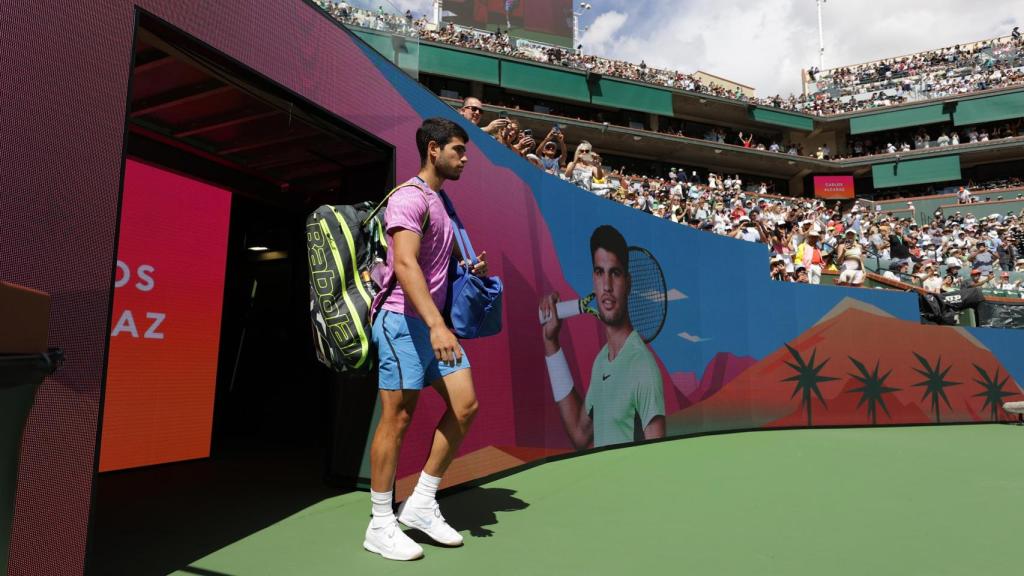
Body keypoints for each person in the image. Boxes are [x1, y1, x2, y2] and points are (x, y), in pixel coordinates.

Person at [364, 118, 489, 561]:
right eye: (458, 149)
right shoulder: (408, 197)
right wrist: (437, 325)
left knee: (465, 403)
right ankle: (380, 524)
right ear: (434, 150)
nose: (465, 157)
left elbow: (433, 267)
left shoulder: (441, 202)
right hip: (401, 320)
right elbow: (405, 265)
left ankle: (419, 504)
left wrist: (463, 272)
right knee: (397, 418)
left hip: (430, 322)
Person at [539, 225, 666, 449]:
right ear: (593, 279)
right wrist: (551, 342)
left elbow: (658, 455)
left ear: (628, 283)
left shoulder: (642, 367)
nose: (606, 286)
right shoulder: (601, 363)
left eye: (615, 273)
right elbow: (580, 435)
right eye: (600, 272)